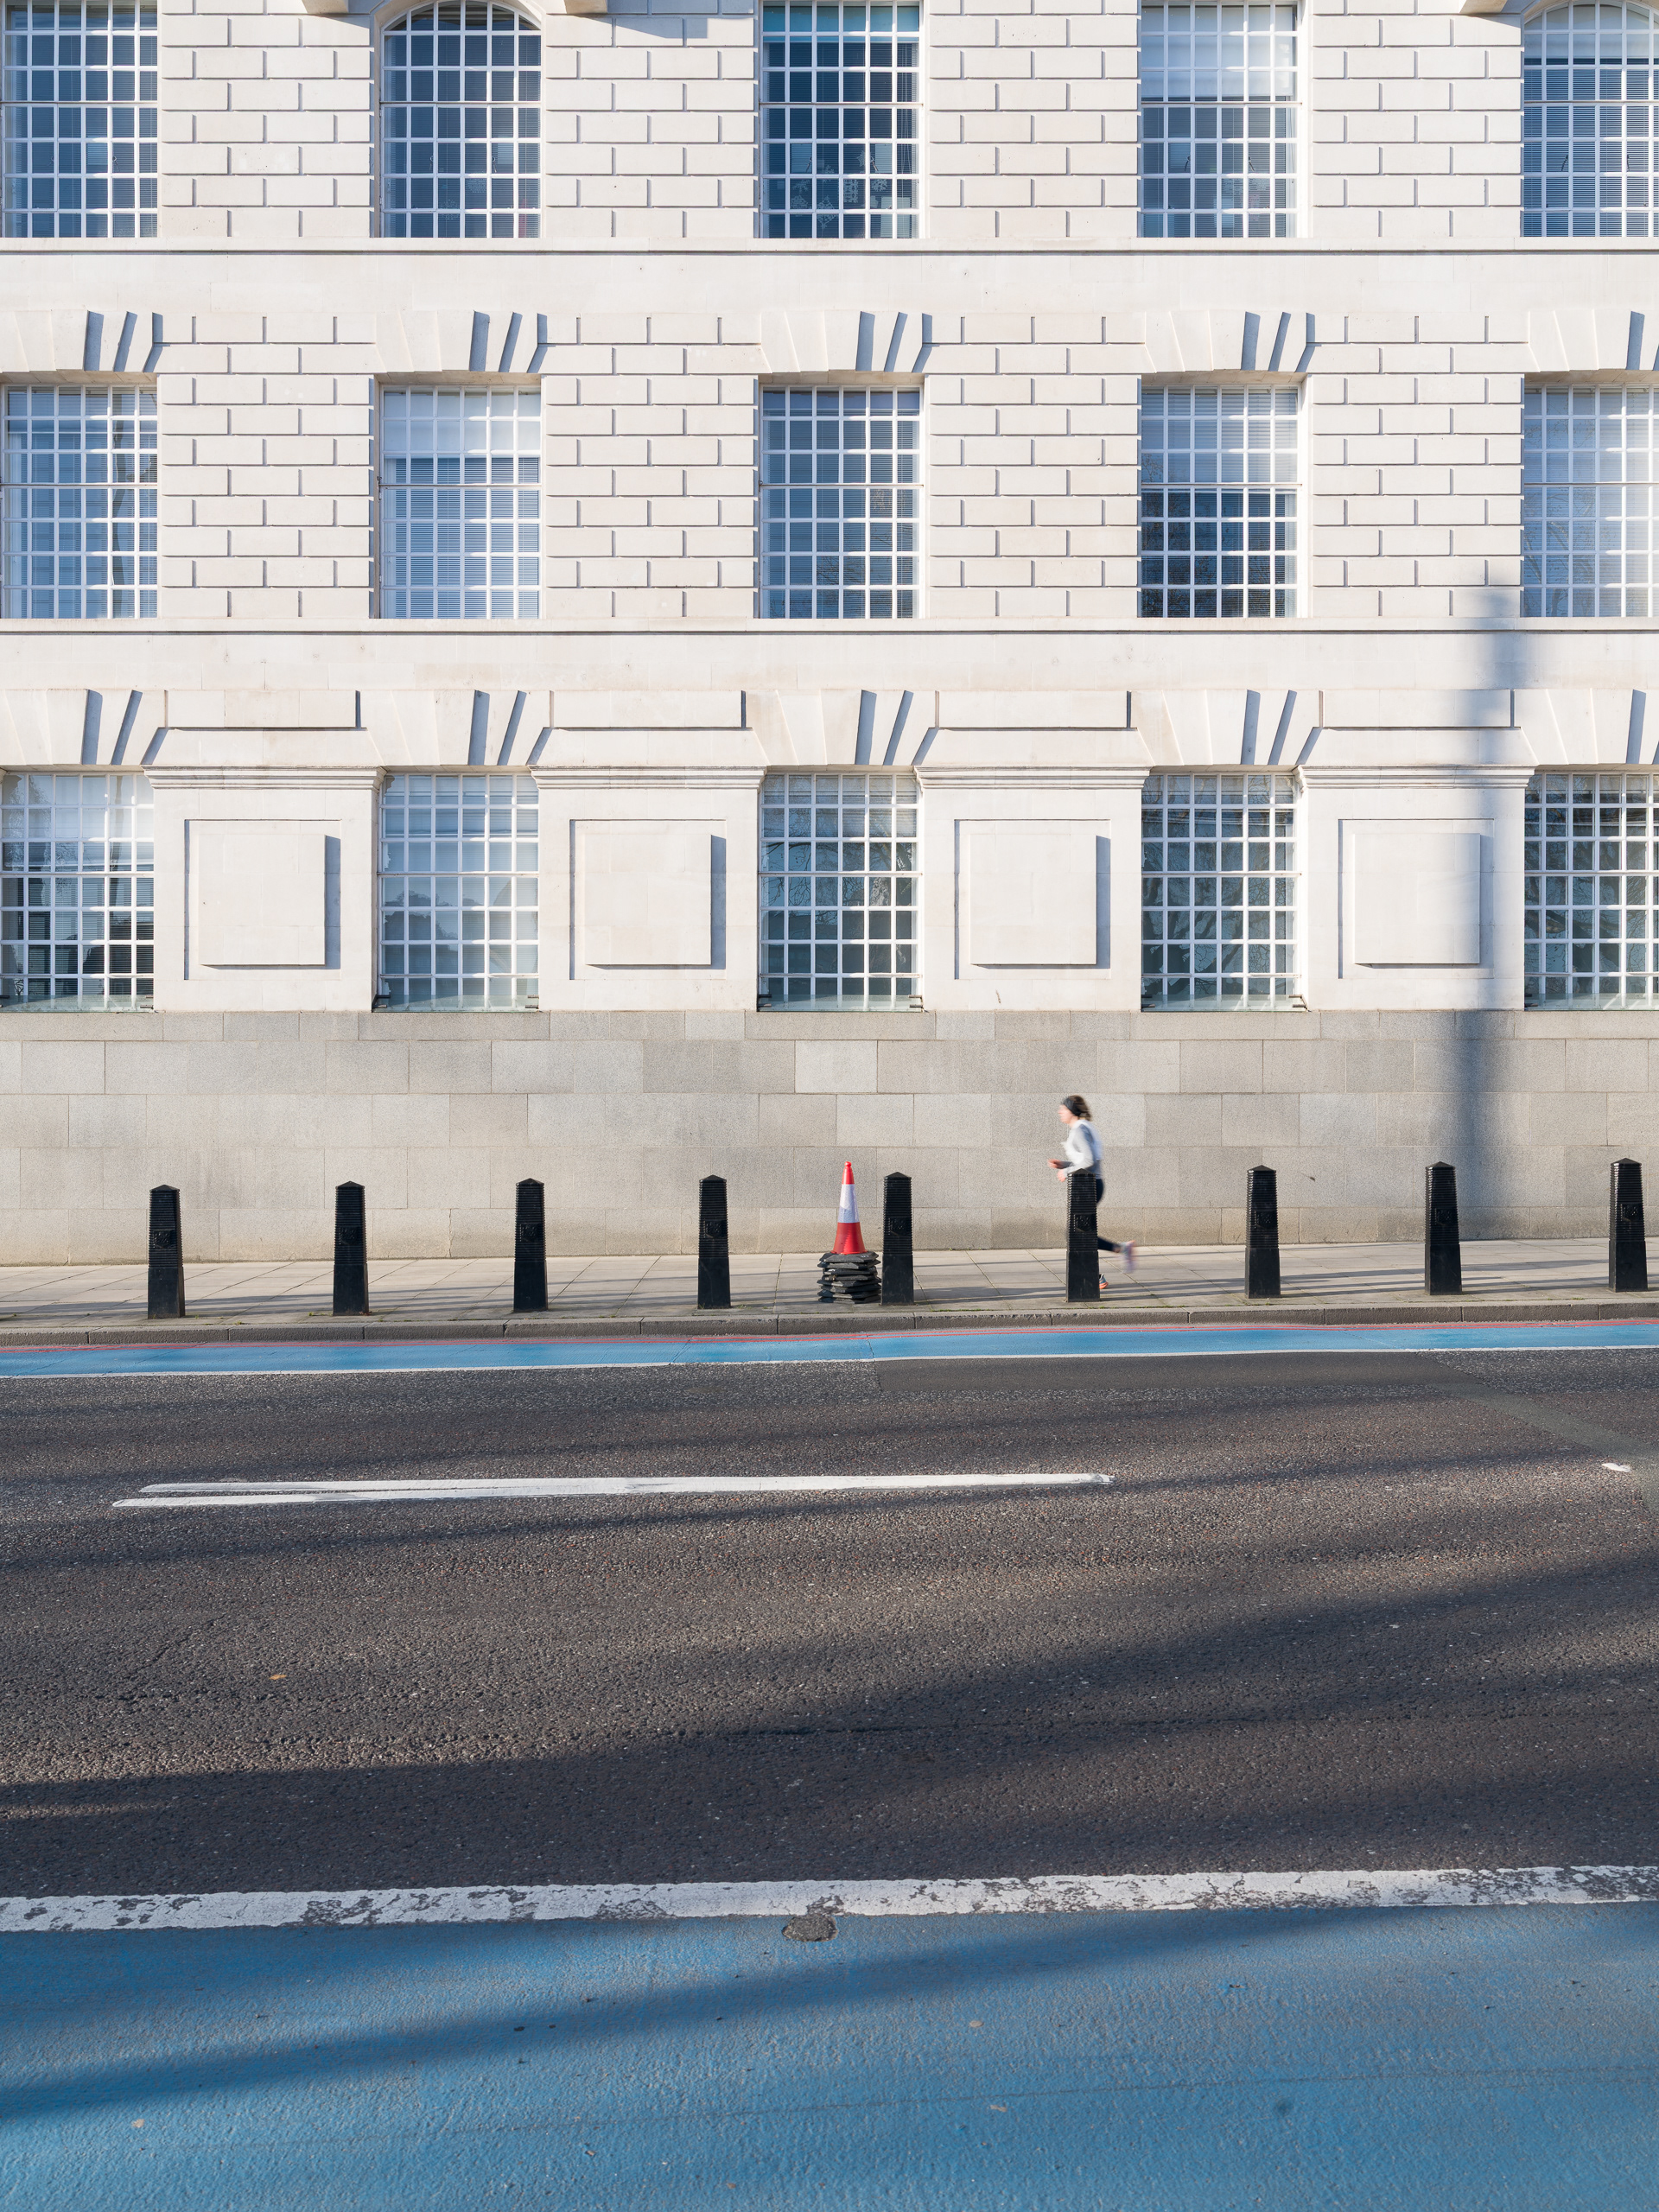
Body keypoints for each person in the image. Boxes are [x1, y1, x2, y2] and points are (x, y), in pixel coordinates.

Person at [1047, 1093, 1136, 1288]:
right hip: (1091, 1185)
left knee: (1077, 1233)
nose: (1059, 1112)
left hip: (1089, 1187)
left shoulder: (1079, 1130)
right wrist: (1064, 1164)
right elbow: (1085, 1161)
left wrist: (1066, 1171)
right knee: (1079, 1232)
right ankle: (1105, 1266)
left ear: (1071, 1110)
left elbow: (1089, 1162)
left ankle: (1115, 1256)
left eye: (1063, 1108)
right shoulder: (1084, 1128)